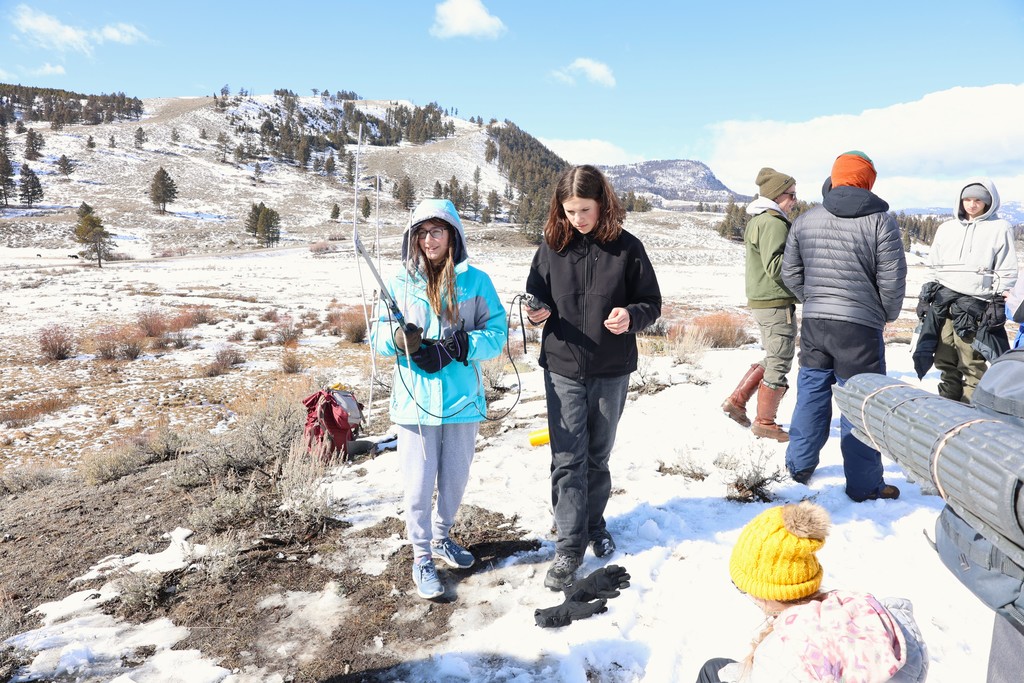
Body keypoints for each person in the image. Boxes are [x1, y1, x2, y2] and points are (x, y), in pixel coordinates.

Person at [525, 164, 662, 590]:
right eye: (570, 211)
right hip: (562, 366)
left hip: (611, 368)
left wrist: (632, 316)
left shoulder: (628, 248)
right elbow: (534, 296)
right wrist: (535, 312)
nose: (578, 219)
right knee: (568, 458)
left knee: (598, 457)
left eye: (585, 209)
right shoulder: (551, 247)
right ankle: (569, 547)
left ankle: (595, 524)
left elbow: (651, 303)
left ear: (602, 203)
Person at [371, 198, 508, 600]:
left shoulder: (476, 282)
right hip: (415, 401)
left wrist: (461, 346)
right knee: (417, 484)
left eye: (437, 231)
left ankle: (442, 536)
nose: (429, 240)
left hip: (462, 400)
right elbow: (377, 336)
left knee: (454, 478)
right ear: (413, 238)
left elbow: (497, 334)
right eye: (422, 232)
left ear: (453, 235)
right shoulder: (398, 283)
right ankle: (421, 557)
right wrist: (400, 340)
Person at [781, 151, 906, 501]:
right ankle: (864, 485)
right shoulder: (880, 221)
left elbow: (790, 272)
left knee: (812, 392)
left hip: (816, 323)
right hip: (860, 328)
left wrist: (814, 299)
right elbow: (892, 280)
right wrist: (884, 314)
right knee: (859, 402)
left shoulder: (806, 219)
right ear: (868, 179)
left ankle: (798, 466)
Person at [696, 501, 928, 683]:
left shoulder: (778, 653)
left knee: (712, 671)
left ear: (764, 593)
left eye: (743, 586)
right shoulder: (884, 619)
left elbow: (780, 671)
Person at [915, 178, 1017, 402]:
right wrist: (925, 296)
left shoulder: (999, 228)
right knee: (944, 359)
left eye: (978, 200)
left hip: (975, 306)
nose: (972, 204)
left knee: (971, 364)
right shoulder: (947, 228)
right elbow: (934, 265)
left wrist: (998, 300)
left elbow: (1007, 268)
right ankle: (947, 406)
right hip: (944, 303)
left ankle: (971, 411)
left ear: (988, 202)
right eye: (967, 199)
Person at [721, 167, 799, 441]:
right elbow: (777, 266)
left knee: (774, 355)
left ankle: (737, 401)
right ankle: (765, 422)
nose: (795, 200)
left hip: (764, 301)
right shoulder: (773, 223)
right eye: (791, 194)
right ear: (777, 195)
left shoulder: (759, 220)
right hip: (775, 302)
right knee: (780, 359)